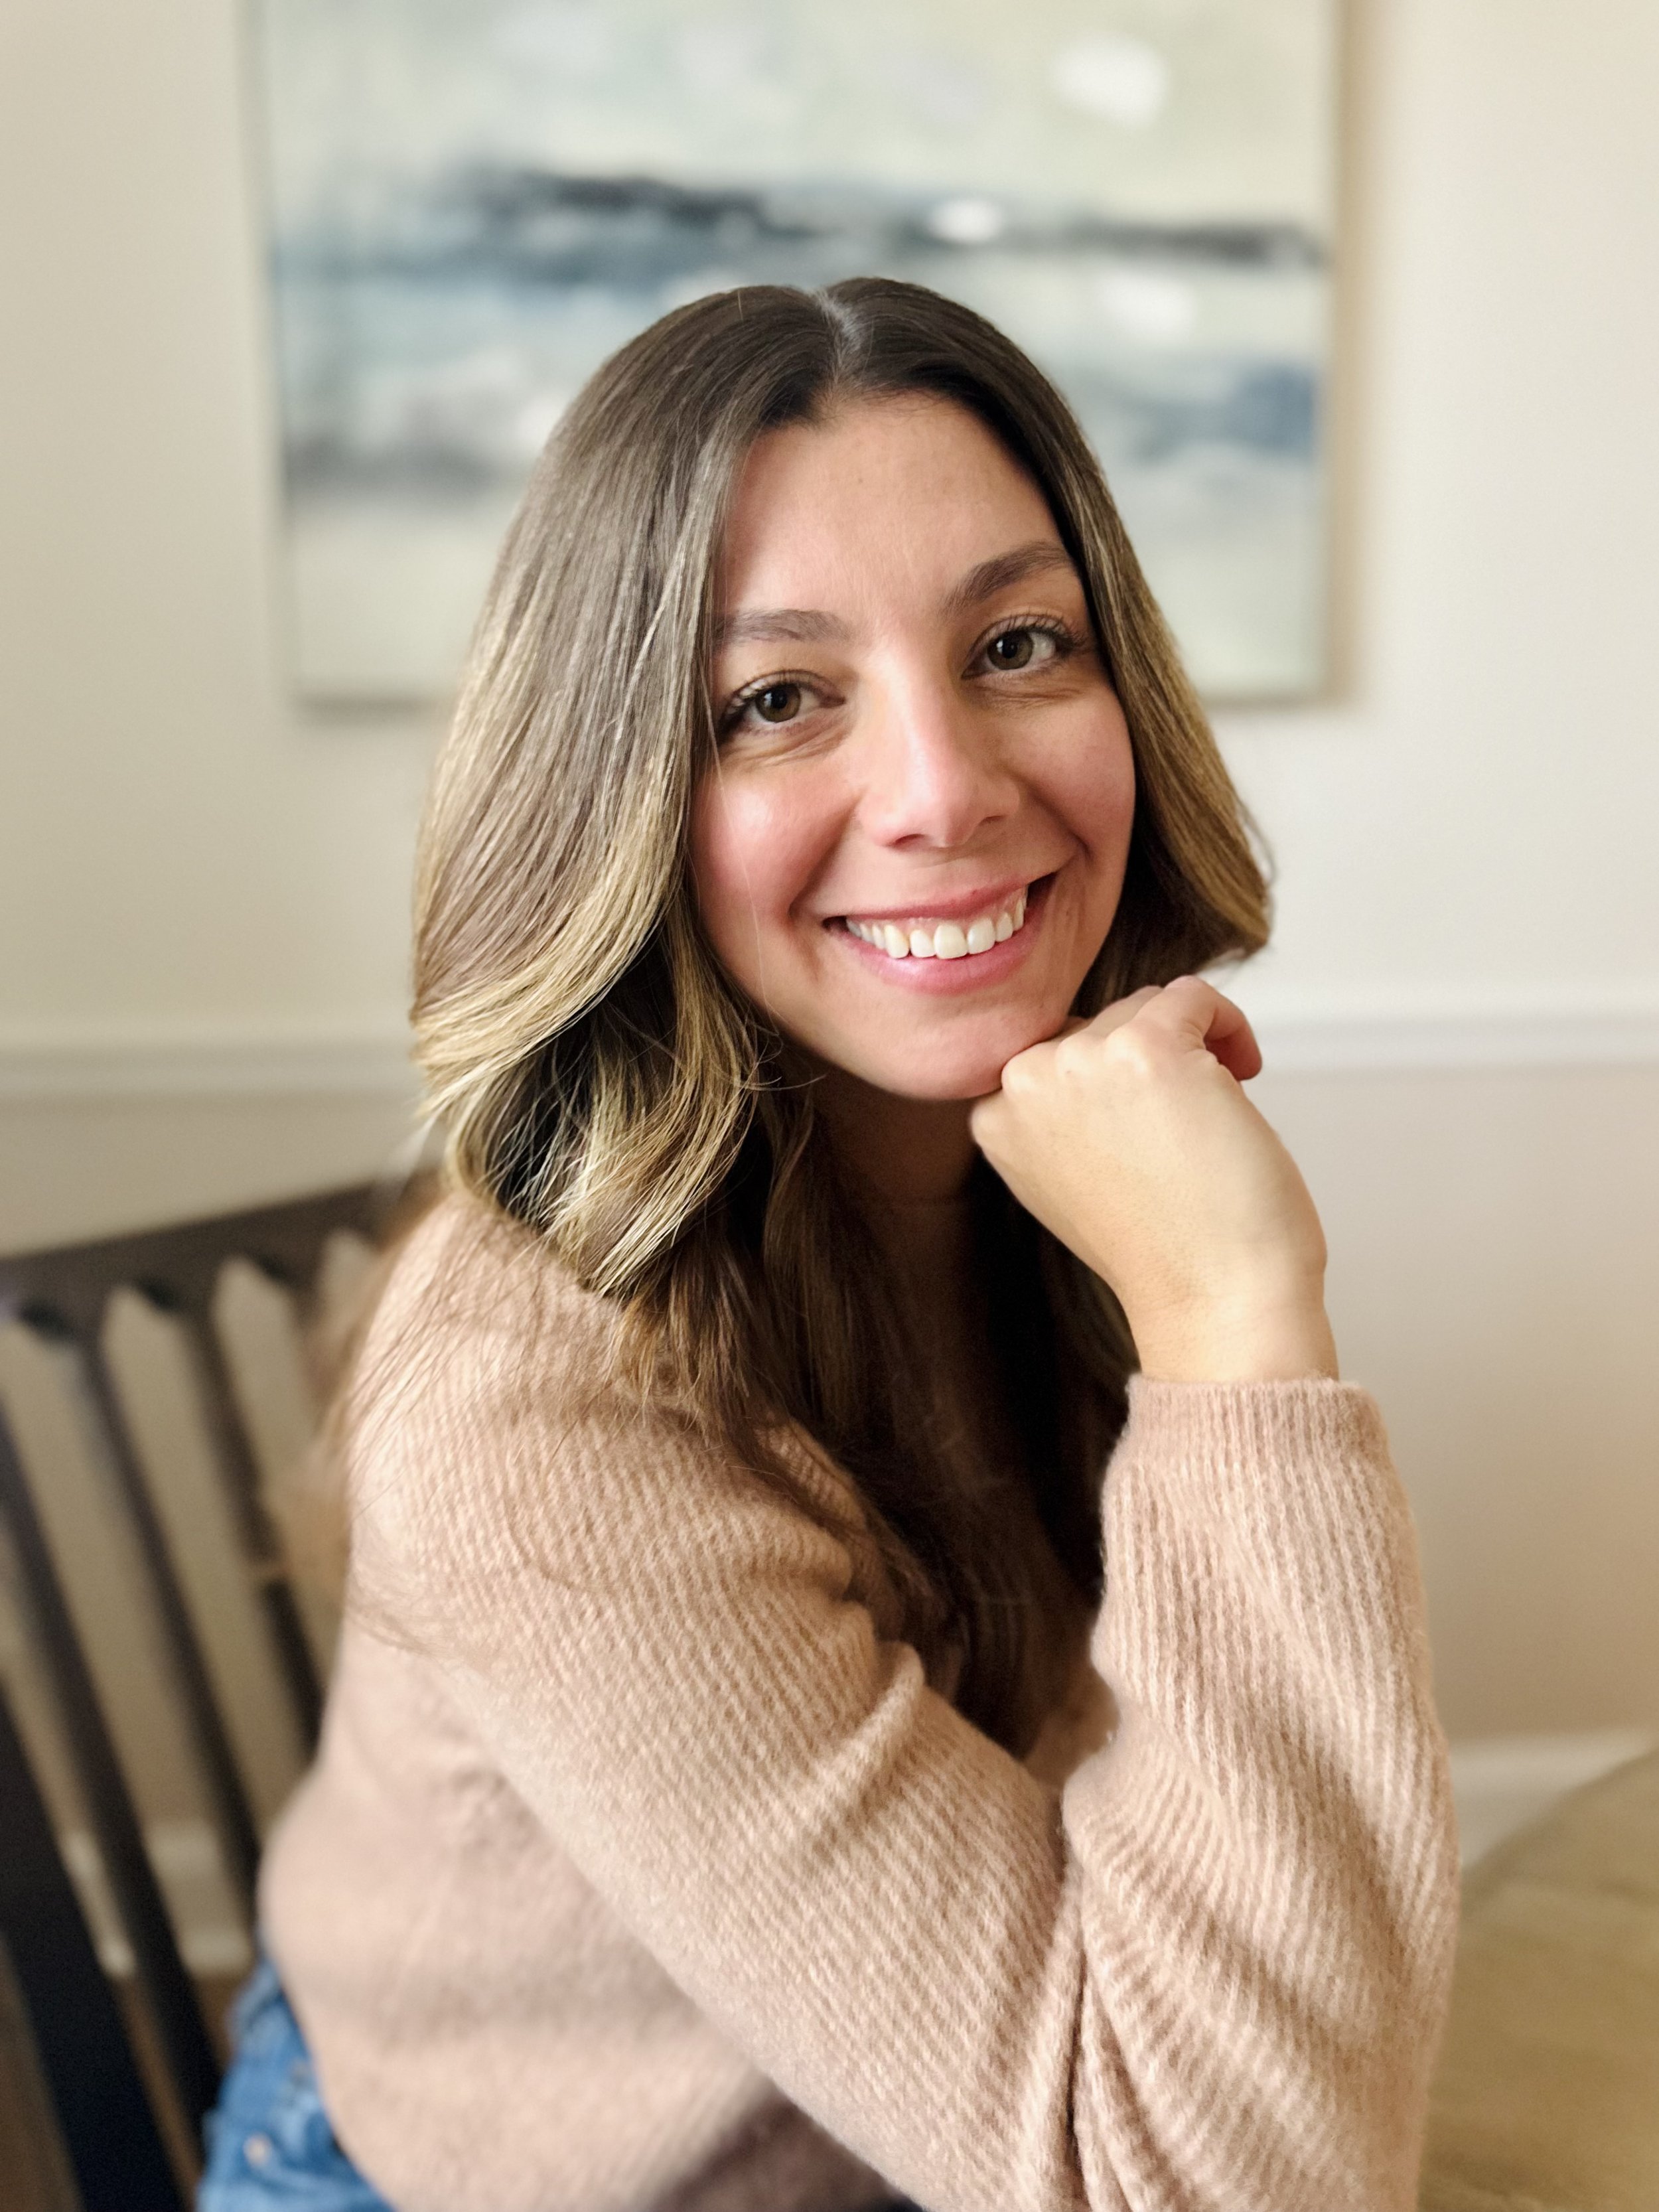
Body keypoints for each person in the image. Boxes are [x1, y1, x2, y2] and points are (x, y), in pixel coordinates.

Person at [200, 279, 1459, 2212]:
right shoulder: (541, 1402)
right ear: (613, 784)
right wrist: (1231, 1325)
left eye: (1018, 645)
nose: (947, 792)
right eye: (776, 700)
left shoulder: (1046, 1161)